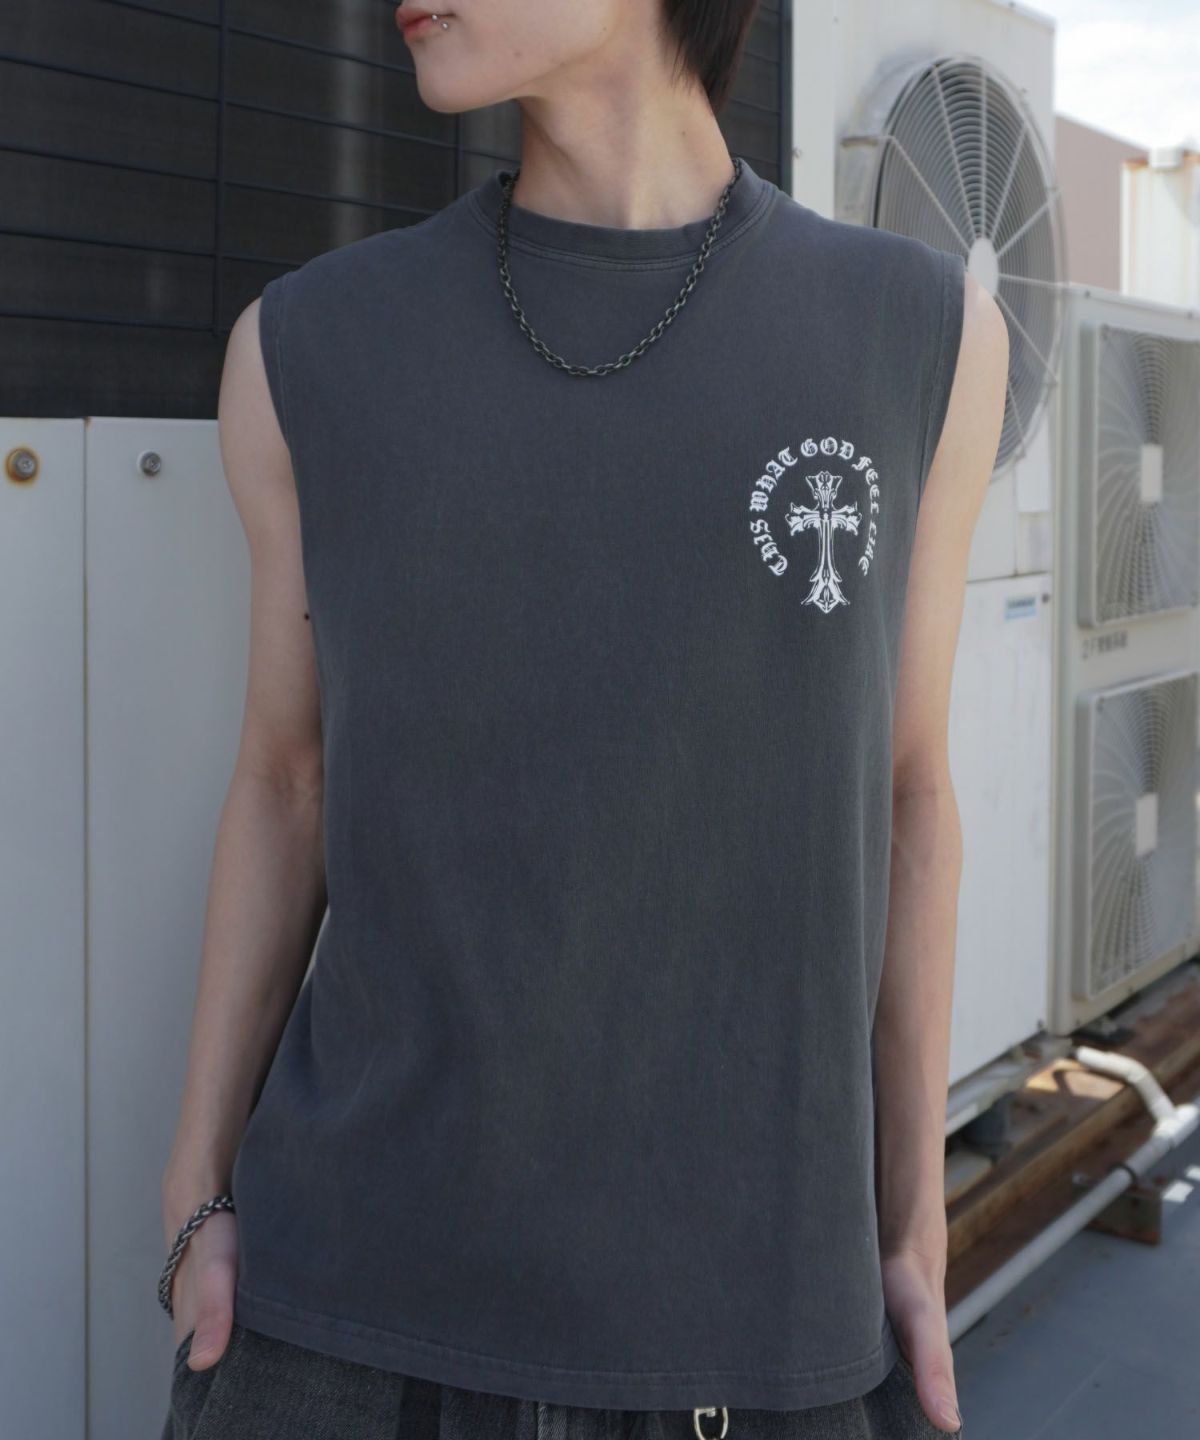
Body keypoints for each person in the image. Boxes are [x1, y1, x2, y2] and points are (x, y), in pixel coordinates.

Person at [159, 1, 1008, 1436]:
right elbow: (289, 782)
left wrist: (910, 1230)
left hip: (760, 1341)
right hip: (339, 1336)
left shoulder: (919, 335)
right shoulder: (306, 346)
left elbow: (910, 792)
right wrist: (194, 1198)